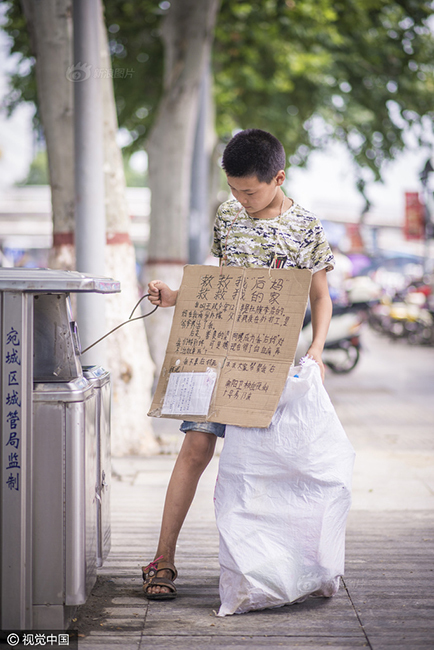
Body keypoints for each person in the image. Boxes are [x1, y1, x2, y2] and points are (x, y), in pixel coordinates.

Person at [143, 129, 335, 599]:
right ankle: (162, 560)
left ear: (278, 178)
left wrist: (317, 348)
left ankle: (267, 568)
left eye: (249, 190)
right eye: (233, 189)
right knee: (194, 450)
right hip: (215, 353)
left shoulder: (307, 227)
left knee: (262, 467)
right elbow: (218, 281)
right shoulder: (228, 215)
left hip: (269, 365)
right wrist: (173, 297)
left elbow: (322, 297)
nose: (240, 199)